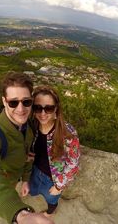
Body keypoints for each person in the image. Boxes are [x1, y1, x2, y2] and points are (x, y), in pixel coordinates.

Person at [0, 72, 54, 224]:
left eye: (26, 102)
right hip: (6, 178)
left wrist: (25, 179)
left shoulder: (29, 124)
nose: (21, 109)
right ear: (4, 102)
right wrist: (21, 214)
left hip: (18, 174)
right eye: (13, 103)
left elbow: (28, 153)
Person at [25, 85, 80, 217]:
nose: (43, 113)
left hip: (53, 178)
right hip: (35, 170)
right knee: (32, 191)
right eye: (38, 108)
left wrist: (59, 186)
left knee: (51, 200)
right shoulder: (33, 125)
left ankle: (50, 212)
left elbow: (73, 163)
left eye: (48, 108)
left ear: (56, 109)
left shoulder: (67, 133)